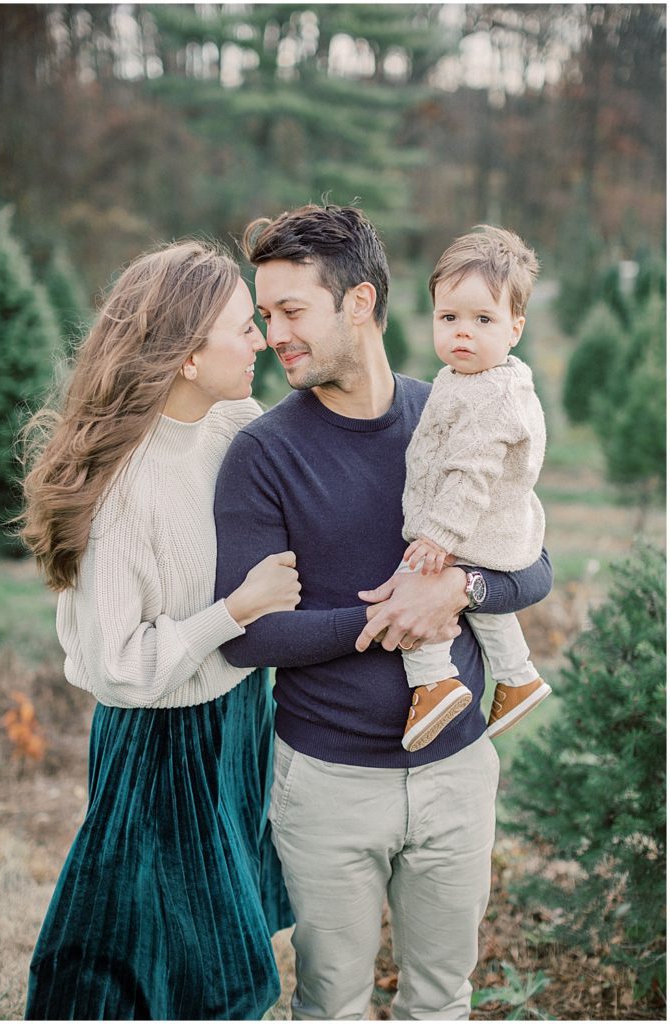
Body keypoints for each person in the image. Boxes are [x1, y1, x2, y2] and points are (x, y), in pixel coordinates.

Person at [213, 204, 553, 1020]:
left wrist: (456, 590)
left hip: (458, 772)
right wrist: (384, 618)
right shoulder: (263, 455)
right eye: (266, 315)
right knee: (331, 1003)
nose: (275, 334)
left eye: (292, 311)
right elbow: (247, 637)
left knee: (441, 999)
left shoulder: (450, 412)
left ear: (358, 303)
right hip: (328, 783)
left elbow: (532, 564)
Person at [19, 240, 300, 1021]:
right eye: (245, 328)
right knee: (151, 959)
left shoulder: (227, 421)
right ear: (184, 357)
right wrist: (237, 610)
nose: (262, 341)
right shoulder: (124, 496)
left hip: (236, 717)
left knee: (203, 936)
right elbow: (117, 667)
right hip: (160, 741)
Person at [397, 225, 551, 753]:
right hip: (489, 529)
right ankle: (517, 674)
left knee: (412, 585)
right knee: (488, 608)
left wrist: (438, 536)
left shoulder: (491, 396)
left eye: (482, 319)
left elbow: (472, 471)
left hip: (467, 527)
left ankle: (432, 679)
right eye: (449, 318)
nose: (463, 333)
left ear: (515, 328)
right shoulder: (468, 379)